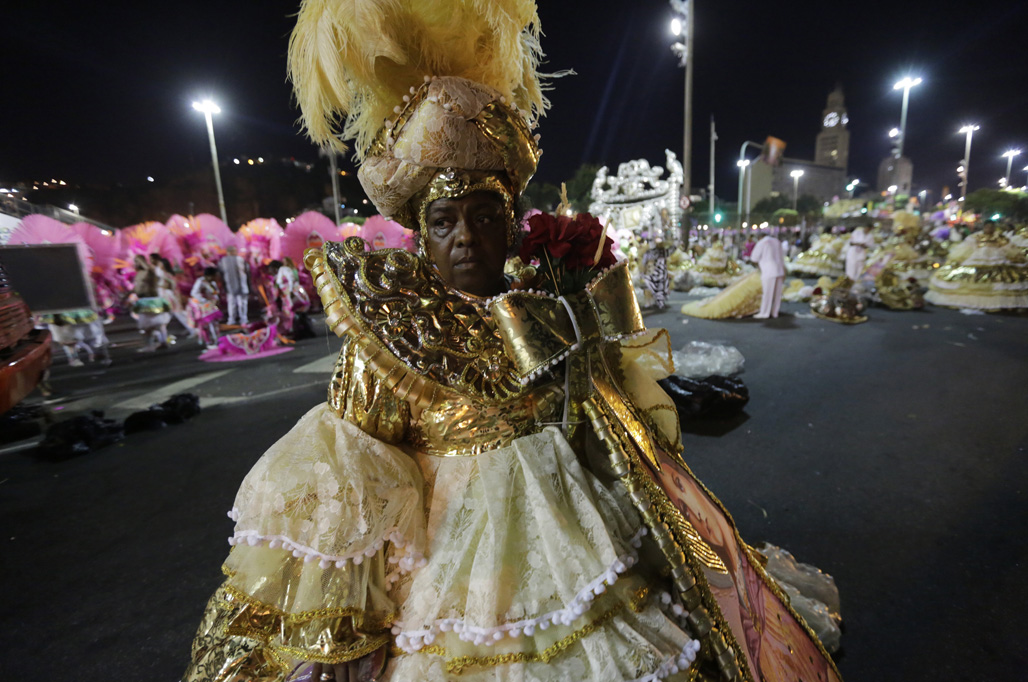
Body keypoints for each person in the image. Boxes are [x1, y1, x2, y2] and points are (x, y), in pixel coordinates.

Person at [183, 3, 842, 682]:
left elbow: (596, 422)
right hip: (452, 568)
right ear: (420, 233)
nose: (465, 236)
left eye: (483, 215)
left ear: (510, 222)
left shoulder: (546, 304)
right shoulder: (389, 332)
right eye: (444, 220)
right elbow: (353, 482)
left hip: (576, 530)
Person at [926, 220, 1028, 310]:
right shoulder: (976, 236)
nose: (989, 229)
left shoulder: (999, 237)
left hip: (997, 257)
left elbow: (1008, 247)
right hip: (978, 256)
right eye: (987, 227)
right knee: (970, 275)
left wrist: (1013, 256)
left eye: (991, 227)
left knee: (1000, 275)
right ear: (984, 227)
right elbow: (968, 247)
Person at [750, 232, 786, 319]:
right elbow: (782, 256)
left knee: (767, 293)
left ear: (759, 237)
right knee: (777, 294)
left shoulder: (762, 242)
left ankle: (764, 312)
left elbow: (754, 258)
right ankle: (774, 312)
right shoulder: (777, 241)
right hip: (779, 269)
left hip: (768, 270)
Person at [189, 266, 223, 348]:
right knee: (206, 325)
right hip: (201, 306)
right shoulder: (200, 282)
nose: (217, 277)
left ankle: (216, 340)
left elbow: (215, 293)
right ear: (210, 275)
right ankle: (209, 342)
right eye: (215, 275)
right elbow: (194, 293)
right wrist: (205, 300)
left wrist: (216, 300)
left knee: (214, 323)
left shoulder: (213, 283)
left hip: (210, 306)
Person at [218, 245, 250, 326]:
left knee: (233, 303)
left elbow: (220, 272)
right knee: (240, 303)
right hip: (238, 285)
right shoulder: (239, 259)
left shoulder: (223, 260)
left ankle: (233, 319)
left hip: (232, 285)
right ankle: (242, 319)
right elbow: (247, 270)